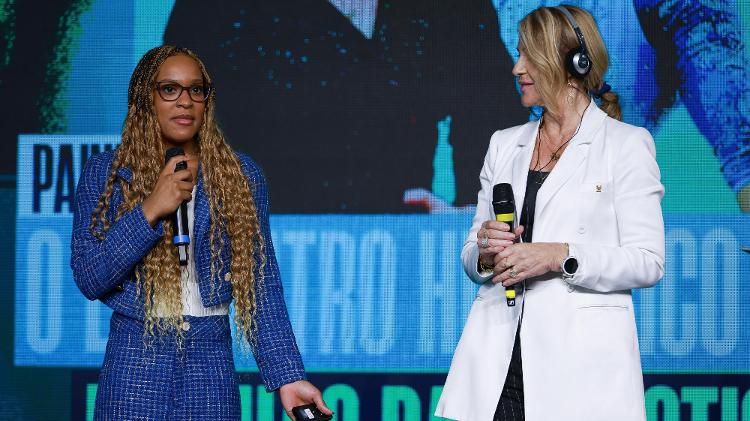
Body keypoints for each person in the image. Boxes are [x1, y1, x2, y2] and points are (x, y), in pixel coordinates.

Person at [71, 45, 333, 420]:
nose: (185, 102)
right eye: (169, 89)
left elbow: (261, 284)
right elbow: (88, 276)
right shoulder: (106, 173)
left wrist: (288, 377)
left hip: (210, 362)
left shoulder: (240, 175)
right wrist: (150, 210)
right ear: (145, 98)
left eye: (197, 90)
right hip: (134, 360)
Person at [435, 6, 664, 421]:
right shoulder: (504, 144)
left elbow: (647, 262)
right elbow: (471, 254)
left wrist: (558, 254)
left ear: (573, 63)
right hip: (498, 372)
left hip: (581, 377)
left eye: (528, 55)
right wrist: (486, 252)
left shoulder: (626, 145)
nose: (516, 67)